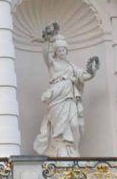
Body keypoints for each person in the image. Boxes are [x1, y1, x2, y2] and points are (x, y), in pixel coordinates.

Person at [33, 23, 98, 157]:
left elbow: (83, 75)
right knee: (59, 128)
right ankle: (58, 150)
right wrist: (47, 40)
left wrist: (93, 72)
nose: (62, 52)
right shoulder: (52, 63)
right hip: (57, 97)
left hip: (70, 97)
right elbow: (45, 53)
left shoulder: (71, 65)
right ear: (56, 51)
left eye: (64, 50)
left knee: (75, 125)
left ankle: (75, 151)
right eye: (60, 50)